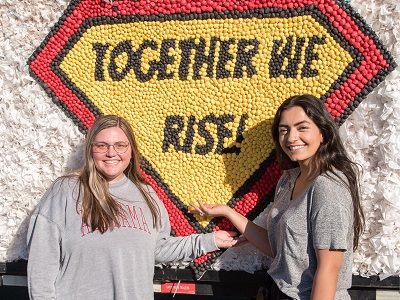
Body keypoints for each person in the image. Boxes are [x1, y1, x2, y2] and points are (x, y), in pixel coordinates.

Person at [27, 115, 241, 300]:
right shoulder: (66, 190)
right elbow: (41, 264)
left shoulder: (146, 195)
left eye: (120, 145)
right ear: (90, 149)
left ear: (131, 151)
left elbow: (159, 249)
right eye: (102, 145)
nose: (112, 153)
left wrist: (211, 240)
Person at [190, 94, 365, 300]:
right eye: (284, 130)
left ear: (323, 133)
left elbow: (329, 268)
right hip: (279, 291)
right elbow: (280, 249)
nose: (291, 138)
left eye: (302, 128)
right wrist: (228, 212)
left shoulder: (328, 187)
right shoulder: (288, 179)